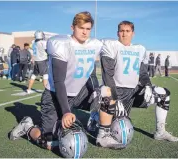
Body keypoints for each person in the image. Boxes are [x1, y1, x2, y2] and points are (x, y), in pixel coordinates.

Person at [9, 11, 124, 153]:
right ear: (72, 27)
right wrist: (66, 112)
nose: (85, 32)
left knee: (107, 92)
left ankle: (103, 136)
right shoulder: (62, 44)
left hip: (78, 94)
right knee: (51, 143)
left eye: (88, 29)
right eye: (81, 28)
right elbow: (58, 81)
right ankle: (28, 126)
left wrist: (99, 95)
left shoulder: (94, 45)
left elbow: (91, 72)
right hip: (54, 96)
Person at [100, 20, 178, 142]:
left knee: (164, 94)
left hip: (133, 92)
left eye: (127, 31)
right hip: (116, 91)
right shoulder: (112, 46)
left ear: (133, 33)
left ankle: (160, 131)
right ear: (117, 33)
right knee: (117, 130)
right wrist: (114, 99)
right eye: (122, 31)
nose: (124, 34)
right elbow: (107, 76)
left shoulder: (139, 49)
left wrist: (147, 85)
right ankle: (95, 118)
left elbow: (142, 72)